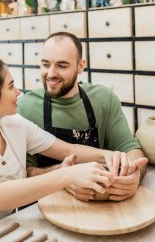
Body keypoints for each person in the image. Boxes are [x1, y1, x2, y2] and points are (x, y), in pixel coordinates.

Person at [0, 55, 144, 241]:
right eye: (11, 86)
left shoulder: (15, 124)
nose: (18, 92)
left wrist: (116, 157)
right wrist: (68, 175)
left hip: (7, 227)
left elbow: (66, 150)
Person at [18, 32, 147, 202]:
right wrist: (62, 177)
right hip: (47, 206)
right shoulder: (25, 107)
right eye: (45, 64)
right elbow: (25, 173)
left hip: (100, 207)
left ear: (80, 66)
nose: (51, 73)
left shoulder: (103, 99)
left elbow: (132, 151)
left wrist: (134, 176)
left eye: (62, 65)